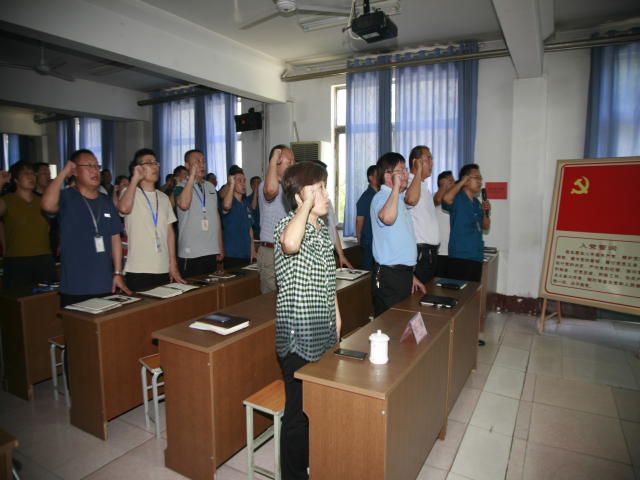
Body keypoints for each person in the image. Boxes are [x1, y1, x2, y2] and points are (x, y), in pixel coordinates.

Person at [274, 161, 342, 480]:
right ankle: (294, 476)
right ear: (300, 196)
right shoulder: (287, 227)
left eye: (325, 187)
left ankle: (314, 462)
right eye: (319, 188)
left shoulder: (321, 230)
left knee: (317, 406)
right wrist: (305, 204)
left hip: (323, 333)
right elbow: (290, 244)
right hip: (299, 339)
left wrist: (337, 317)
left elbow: (329, 280)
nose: (326, 194)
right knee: (298, 414)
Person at [41, 149, 130, 307]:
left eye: (96, 166)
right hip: (75, 286)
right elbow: (47, 205)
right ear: (74, 171)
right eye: (88, 166)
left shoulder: (106, 200)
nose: (95, 170)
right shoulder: (66, 197)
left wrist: (118, 272)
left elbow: (115, 237)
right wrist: (63, 173)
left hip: (105, 283)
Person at [116, 149, 184, 290]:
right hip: (139, 269)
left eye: (155, 163)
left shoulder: (163, 198)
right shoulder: (129, 193)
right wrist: (135, 179)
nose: (155, 166)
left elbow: (169, 232)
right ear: (138, 168)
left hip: (163, 267)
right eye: (149, 163)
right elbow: (123, 208)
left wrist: (173, 263)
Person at [370, 152, 426, 318]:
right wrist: (395, 187)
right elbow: (387, 218)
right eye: (401, 170)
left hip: (402, 275)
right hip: (389, 276)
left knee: (401, 324)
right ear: (388, 176)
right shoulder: (381, 197)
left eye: (405, 169)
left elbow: (400, 242)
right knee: (390, 326)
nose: (406, 173)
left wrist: (410, 275)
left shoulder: (399, 199)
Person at [442, 164, 491, 346]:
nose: (480, 181)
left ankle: (468, 336)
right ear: (466, 179)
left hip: (475, 256)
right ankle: (454, 336)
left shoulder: (477, 203)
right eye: (476, 178)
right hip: (460, 256)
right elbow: (446, 198)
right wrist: (461, 182)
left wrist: (486, 212)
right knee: (458, 299)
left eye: (480, 178)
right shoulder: (458, 197)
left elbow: (485, 226)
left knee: (471, 300)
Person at [0, 161, 58, 288]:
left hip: (44, 259)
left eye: (33, 173)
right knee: (18, 298)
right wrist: (1, 183)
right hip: (17, 260)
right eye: (26, 173)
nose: (31, 177)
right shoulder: (7, 200)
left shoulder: (43, 201)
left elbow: (49, 227)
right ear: (15, 179)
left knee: (47, 297)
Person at [173, 149, 224, 278]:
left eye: (203, 161)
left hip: (210, 250)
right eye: (197, 161)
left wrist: (219, 246)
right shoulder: (181, 186)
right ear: (187, 165)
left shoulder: (210, 187)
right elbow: (184, 205)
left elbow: (216, 217)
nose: (202, 164)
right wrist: (191, 176)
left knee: (210, 288)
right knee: (192, 289)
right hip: (191, 252)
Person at [257, 145, 295, 293]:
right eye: (289, 162)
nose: (293, 165)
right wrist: (273, 160)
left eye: (294, 162)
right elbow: (271, 190)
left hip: (288, 252)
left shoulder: (290, 189)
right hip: (271, 252)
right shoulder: (265, 185)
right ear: (277, 164)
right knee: (271, 299)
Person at [405, 146, 440, 285]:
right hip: (420, 252)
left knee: (428, 292)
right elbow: (410, 200)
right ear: (416, 162)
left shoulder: (424, 187)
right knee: (418, 294)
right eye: (428, 159)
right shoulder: (408, 184)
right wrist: (418, 171)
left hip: (430, 253)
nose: (432, 164)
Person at [220, 166, 257, 269]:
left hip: (246, 253)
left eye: (244, 181)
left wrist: (252, 249)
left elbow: (250, 229)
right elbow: (226, 206)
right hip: (232, 253)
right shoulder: (229, 202)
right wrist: (231, 184)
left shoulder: (247, 205)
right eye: (239, 181)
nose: (243, 184)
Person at [33, 162, 60, 259]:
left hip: (55, 242)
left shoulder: (56, 197)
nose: (48, 176)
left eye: (49, 173)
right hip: (38, 244)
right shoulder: (32, 198)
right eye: (44, 173)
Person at [355, 165, 378, 271]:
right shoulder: (367, 196)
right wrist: (359, 236)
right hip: (369, 240)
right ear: (371, 177)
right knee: (368, 271)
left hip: (377, 240)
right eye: (378, 175)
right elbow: (359, 219)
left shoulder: (380, 195)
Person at [433, 171, 455, 278]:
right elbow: (437, 200)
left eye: (454, 181)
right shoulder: (434, 197)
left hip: (454, 251)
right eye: (450, 181)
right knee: (437, 282)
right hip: (440, 251)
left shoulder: (456, 200)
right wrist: (443, 186)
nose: (454, 184)